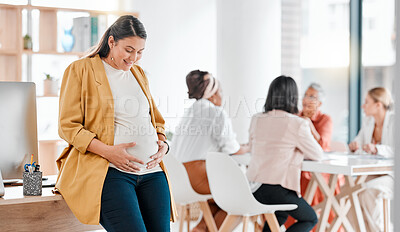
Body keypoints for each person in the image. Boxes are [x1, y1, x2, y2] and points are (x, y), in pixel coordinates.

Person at [56, 15, 176, 231]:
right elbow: (68, 125)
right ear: (111, 42)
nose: (134, 58)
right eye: (129, 50)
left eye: (140, 52)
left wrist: (163, 143)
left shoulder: (138, 74)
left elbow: (155, 119)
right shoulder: (81, 69)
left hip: (152, 173)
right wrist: (108, 152)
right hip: (112, 173)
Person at [171, 70, 249, 232]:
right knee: (241, 200)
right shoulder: (215, 113)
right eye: (220, 91)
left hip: (177, 179)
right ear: (212, 94)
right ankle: (203, 228)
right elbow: (231, 148)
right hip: (197, 175)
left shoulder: (188, 113)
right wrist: (248, 147)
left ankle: (200, 228)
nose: (222, 95)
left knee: (220, 200)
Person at [246, 75, 323, 232]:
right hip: (277, 190)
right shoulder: (297, 123)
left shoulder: (256, 119)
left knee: (279, 216)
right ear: (293, 97)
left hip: (253, 189)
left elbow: (252, 147)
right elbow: (317, 154)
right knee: (310, 218)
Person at [285, 83, 339, 231]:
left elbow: (322, 145)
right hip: (297, 168)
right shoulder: (295, 117)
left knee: (312, 185)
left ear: (320, 103)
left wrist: (309, 126)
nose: (306, 99)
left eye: (312, 96)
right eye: (305, 95)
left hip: (318, 171)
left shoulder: (325, 120)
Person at [348, 87, 394, 231]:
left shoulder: (394, 121)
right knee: (349, 191)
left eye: (366, 102)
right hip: (373, 172)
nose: (363, 106)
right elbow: (358, 142)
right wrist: (354, 146)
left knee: (369, 193)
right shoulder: (368, 122)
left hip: (392, 175)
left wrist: (377, 149)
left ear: (378, 104)